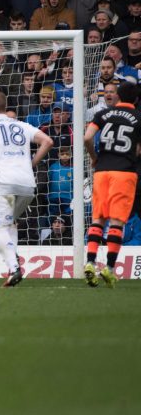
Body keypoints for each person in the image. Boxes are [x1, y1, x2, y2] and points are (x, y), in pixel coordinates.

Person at [0, 91, 53, 287]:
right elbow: (48, 141)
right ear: (5, 107)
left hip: (3, 182)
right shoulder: (21, 125)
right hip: (27, 185)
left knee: (0, 227)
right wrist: (31, 164)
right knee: (11, 223)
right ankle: (12, 267)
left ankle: (14, 268)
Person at [82, 81, 141, 288]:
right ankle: (108, 267)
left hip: (101, 171)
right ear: (136, 99)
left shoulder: (103, 114)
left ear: (118, 96)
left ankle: (89, 262)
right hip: (124, 172)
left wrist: (94, 157)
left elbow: (87, 137)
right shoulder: (138, 117)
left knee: (98, 218)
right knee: (116, 222)